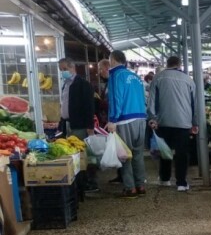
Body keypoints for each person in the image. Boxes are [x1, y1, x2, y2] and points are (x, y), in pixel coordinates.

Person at [148, 56, 199, 192]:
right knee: (182, 153)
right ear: (180, 65)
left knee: (165, 151)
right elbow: (195, 104)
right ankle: (181, 183)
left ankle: (165, 179)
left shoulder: (158, 78)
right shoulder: (189, 80)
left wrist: (152, 118)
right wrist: (195, 122)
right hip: (184, 122)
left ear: (167, 64)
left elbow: (151, 101)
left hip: (163, 121)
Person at [106, 50, 148, 198]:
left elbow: (116, 98)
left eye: (109, 60)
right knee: (138, 154)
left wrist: (113, 119)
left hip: (125, 119)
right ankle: (141, 185)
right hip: (141, 118)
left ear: (113, 59)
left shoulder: (115, 75)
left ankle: (130, 188)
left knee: (125, 155)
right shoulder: (135, 76)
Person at [58, 57, 98, 191]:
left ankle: (90, 183)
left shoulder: (83, 84)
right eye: (61, 70)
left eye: (65, 69)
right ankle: (79, 182)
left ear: (72, 67)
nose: (63, 72)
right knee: (73, 155)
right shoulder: (65, 84)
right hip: (68, 124)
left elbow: (89, 107)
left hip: (80, 125)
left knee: (84, 154)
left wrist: (90, 127)